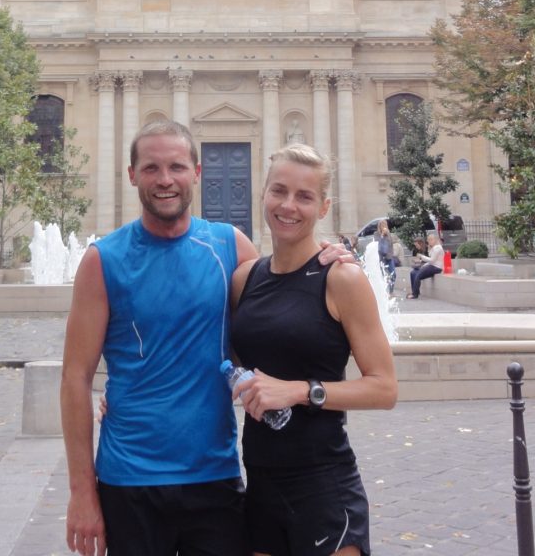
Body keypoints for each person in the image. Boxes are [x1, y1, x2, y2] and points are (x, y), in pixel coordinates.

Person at [60, 120, 354, 555]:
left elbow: (280, 305)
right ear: (132, 175)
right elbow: (75, 377)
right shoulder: (103, 260)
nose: (165, 180)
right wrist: (82, 493)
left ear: (196, 173)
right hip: (129, 481)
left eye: (177, 167)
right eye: (151, 168)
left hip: (214, 478)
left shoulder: (229, 246)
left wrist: (331, 256)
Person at [230, 145, 397, 556]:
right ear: (263, 194)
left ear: (323, 207)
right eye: (279, 191)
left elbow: (384, 389)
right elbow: (221, 361)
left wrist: (302, 390)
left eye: (304, 197)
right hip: (261, 485)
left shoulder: (342, 278)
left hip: (324, 486)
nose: (289, 206)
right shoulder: (244, 279)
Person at [406, 233, 444, 298]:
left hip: (436, 267)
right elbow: (431, 261)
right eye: (428, 240)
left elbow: (432, 260)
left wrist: (421, 257)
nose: (428, 242)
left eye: (430, 240)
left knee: (418, 275)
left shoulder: (438, 248)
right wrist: (424, 265)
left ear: (434, 240)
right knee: (413, 273)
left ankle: (415, 295)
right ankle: (414, 291)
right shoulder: (434, 248)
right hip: (432, 266)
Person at [376, 218, 396, 295]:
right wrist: (382, 235)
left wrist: (387, 235)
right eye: (382, 225)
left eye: (385, 225)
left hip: (389, 257)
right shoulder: (376, 234)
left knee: (393, 274)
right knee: (383, 275)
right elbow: (378, 245)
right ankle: (383, 292)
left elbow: (391, 245)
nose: (384, 226)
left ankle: (391, 291)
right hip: (381, 258)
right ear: (379, 226)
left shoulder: (388, 233)